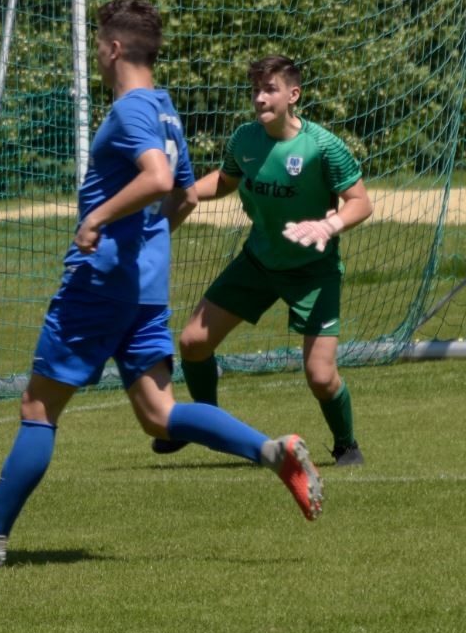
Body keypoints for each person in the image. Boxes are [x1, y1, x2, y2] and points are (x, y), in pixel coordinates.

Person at [0, 0, 324, 569]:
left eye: (97, 45)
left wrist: (98, 219)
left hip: (98, 283)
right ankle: (271, 451)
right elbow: (184, 196)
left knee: (38, 406)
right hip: (144, 287)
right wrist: (146, 240)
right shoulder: (165, 111)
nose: (95, 55)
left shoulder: (132, 108)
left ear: (113, 48)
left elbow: (157, 179)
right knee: (159, 414)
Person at [151, 54, 373, 467]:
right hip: (258, 262)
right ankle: (207, 426)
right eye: (255, 90)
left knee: (321, 376)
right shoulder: (244, 139)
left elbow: (360, 202)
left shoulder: (324, 146)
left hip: (313, 272)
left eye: (269, 89)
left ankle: (346, 444)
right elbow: (226, 180)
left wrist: (329, 226)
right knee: (193, 343)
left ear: (293, 94)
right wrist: (185, 190)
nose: (259, 98)